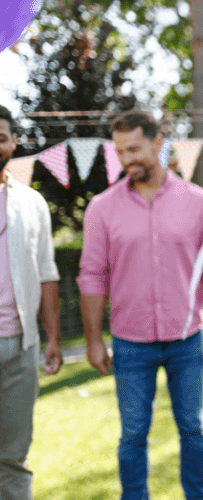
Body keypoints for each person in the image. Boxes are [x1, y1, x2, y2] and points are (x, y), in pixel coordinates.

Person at [78, 110, 203, 500]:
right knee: (132, 434)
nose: (128, 159)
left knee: (193, 429)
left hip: (186, 337)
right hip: (130, 342)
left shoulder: (197, 201)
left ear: (158, 143)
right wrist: (94, 339)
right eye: (121, 151)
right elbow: (92, 275)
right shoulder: (102, 208)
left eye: (135, 148)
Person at [0, 105, 62, 500]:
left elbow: (47, 272)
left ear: (13, 142)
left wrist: (52, 337)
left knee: (13, 458)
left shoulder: (31, 203)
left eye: (1, 138)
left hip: (21, 348)